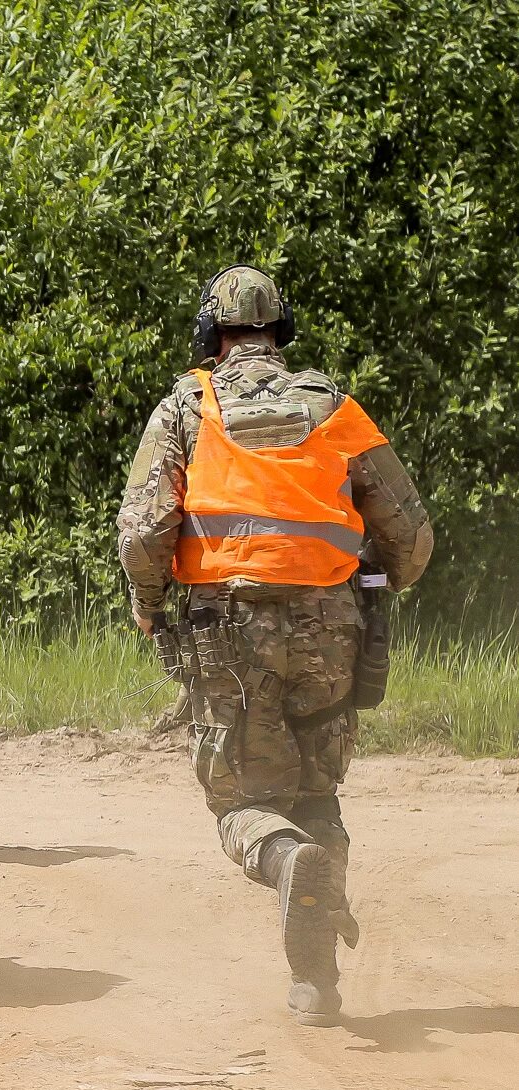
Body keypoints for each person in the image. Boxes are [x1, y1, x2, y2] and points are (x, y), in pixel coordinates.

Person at [117, 264, 433, 1024]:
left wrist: (149, 607)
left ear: (212, 335)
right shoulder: (335, 407)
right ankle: (315, 983)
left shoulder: (186, 408)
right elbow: (412, 534)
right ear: (278, 332)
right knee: (318, 793)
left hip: (227, 629)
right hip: (332, 626)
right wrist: (373, 585)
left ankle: (288, 863)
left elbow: (141, 532)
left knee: (245, 803)